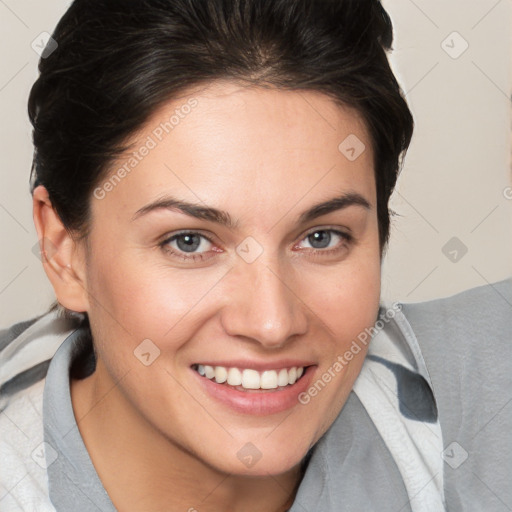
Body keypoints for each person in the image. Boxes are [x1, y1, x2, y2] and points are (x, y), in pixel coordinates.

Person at [0, 0, 510, 510]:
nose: (271, 323)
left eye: (321, 237)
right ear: (64, 251)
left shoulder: (481, 397)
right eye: (189, 242)